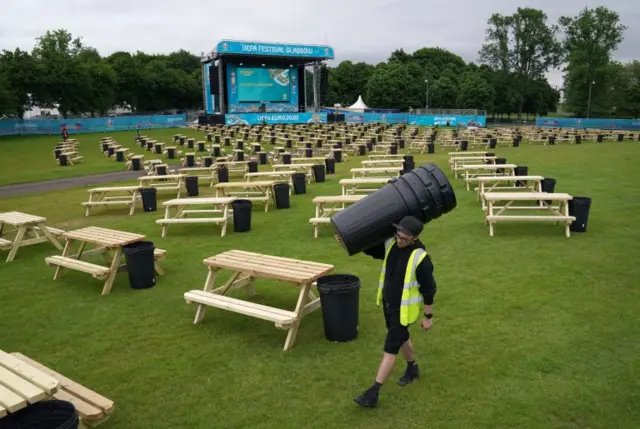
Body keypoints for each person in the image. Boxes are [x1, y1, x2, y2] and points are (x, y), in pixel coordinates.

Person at [339, 216, 437, 408]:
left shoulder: (421, 259)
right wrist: (347, 240)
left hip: (402, 311)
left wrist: (428, 316)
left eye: (404, 239)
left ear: (414, 238)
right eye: (398, 236)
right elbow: (371, 249)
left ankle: (373, 392)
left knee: (390, 349)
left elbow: (429, 289)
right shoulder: (391, 244)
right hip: (388, 305)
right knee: (401, 338)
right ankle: (412, 368)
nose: (399, 241)